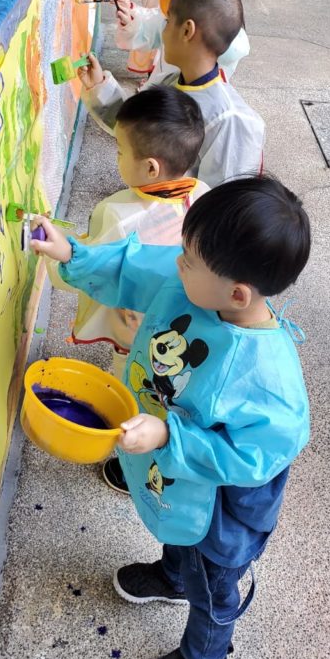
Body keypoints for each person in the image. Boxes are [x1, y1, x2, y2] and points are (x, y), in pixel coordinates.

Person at [30, 175, 311, 659]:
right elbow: (133, 266)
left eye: (189, 258)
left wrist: (168, 433)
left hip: (221, 508)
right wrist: (73, 254)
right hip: (175, 473)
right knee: (177, 533)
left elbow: (253, 456)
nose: (177, 262)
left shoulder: (267, 377)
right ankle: (173, 574)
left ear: (237, 294)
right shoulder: (194, 281)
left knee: (214, 583)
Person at [46, 85, 208, 493]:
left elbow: (84, 271)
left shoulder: (118, 214)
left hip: (135, 329)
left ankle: (129, 466)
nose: (116, 158)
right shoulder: (204, 197)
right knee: (170, 390)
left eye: (119, 151)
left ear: (151, 168)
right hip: (184, 326)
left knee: (132, 386)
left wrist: (52, 254)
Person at [78, 0, 265, 188]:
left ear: (187, 31)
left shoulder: (230, 121)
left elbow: (225, 200)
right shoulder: (171, 79)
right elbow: (135, 129)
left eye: (167, 22)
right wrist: (100, 86)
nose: (163, 31)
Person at [116, 0, 249, 83]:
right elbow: (153, 26)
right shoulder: (179, 14)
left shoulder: (229, 39)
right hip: (163, 85)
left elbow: (232, 52)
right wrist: (131, 19)